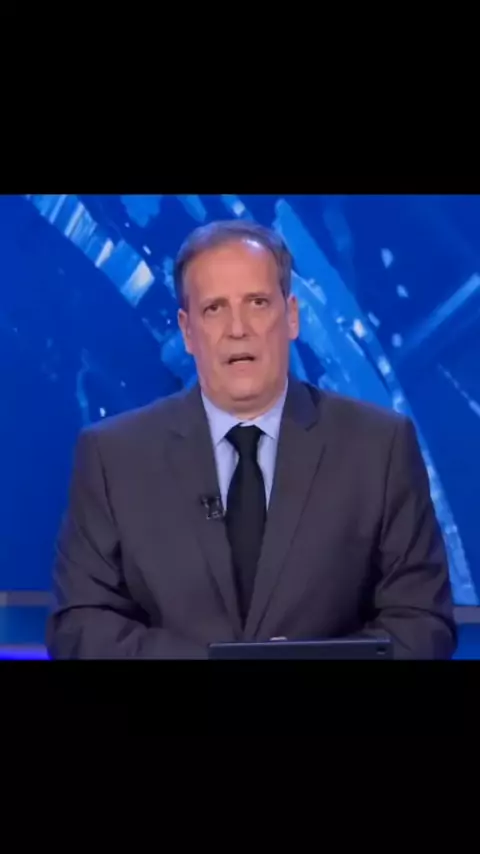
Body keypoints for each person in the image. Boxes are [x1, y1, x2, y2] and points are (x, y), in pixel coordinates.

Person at [46, 219, 457, 659]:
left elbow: (421, 621)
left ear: (292, 316)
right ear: (187, 331)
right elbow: (81, 623)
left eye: (257, 303)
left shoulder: (379, 447)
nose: (237, 328)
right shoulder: (114, 458)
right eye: (214, 309)